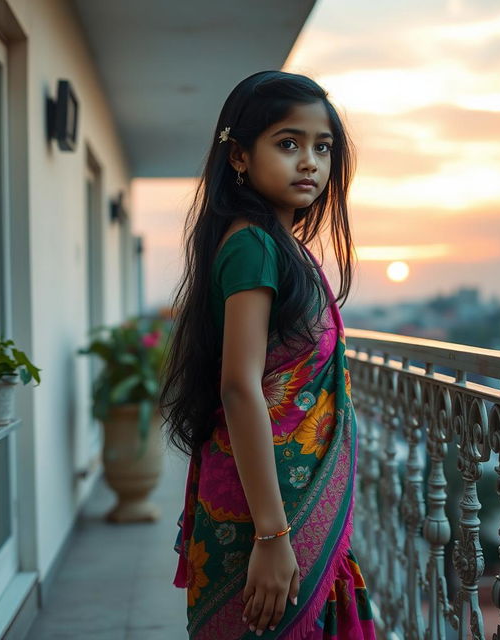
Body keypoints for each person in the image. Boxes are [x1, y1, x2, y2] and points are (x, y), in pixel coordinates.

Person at [160, 70, 376, 639]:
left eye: (321, 147)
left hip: (273, 500)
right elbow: (239, 386)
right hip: (266, 513)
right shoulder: (254, 245)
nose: (310, 161)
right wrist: (274, 537)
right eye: (288, 143)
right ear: (239, 157)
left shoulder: (278, 247)